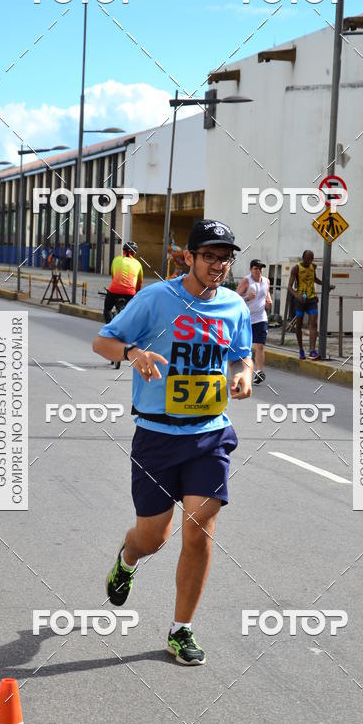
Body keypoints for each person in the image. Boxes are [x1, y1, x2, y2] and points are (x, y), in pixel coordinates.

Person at [93, 219, 253, 666]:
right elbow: (102, 341)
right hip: (157, 437)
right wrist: (133, 354)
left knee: (199, 532)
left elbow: (241, 353)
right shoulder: (156, 299)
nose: (218, 265)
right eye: (209, 256)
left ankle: (181, 629)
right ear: (188, 257)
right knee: (153, 538)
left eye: (225, 258)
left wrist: (242, 374)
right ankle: (127, 560)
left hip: (209, 434)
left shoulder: (234, 306)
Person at [289, 250, 333, 360]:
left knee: (313, 323)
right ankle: (301, 349)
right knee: (298, 326)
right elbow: (289, 287)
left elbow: (315, 279)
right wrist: (296, 295)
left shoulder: (313, 266)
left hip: (312, 299)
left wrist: (326, 285)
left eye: (311, 258)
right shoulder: (296, 268)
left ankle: (312, 350)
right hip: (300, 300)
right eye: (307, 258)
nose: (309, 261)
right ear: (303, 257)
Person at [237, 259, 272, 385]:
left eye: (260, 268)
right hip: (246, 319)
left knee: (260, 346)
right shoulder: (247, 281)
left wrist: (269, 303)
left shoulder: (266, 281)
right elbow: (235, 298)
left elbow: (267, 296)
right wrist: (247, 298)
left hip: (261, 318)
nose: (258, 271)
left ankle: (258, 372)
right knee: (245, 347)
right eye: (256, 268)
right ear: (251, 269)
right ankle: (243, 371)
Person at [102, 241, 143, 322]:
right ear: (134, 253)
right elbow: (139, 283)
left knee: (107, 309)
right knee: (131, 312)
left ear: (123, 251)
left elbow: (113, 277)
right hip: (130, 293)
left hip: (114, 291)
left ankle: (109, 328)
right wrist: (136, 294)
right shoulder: (138, 264)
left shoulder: (116, 260)